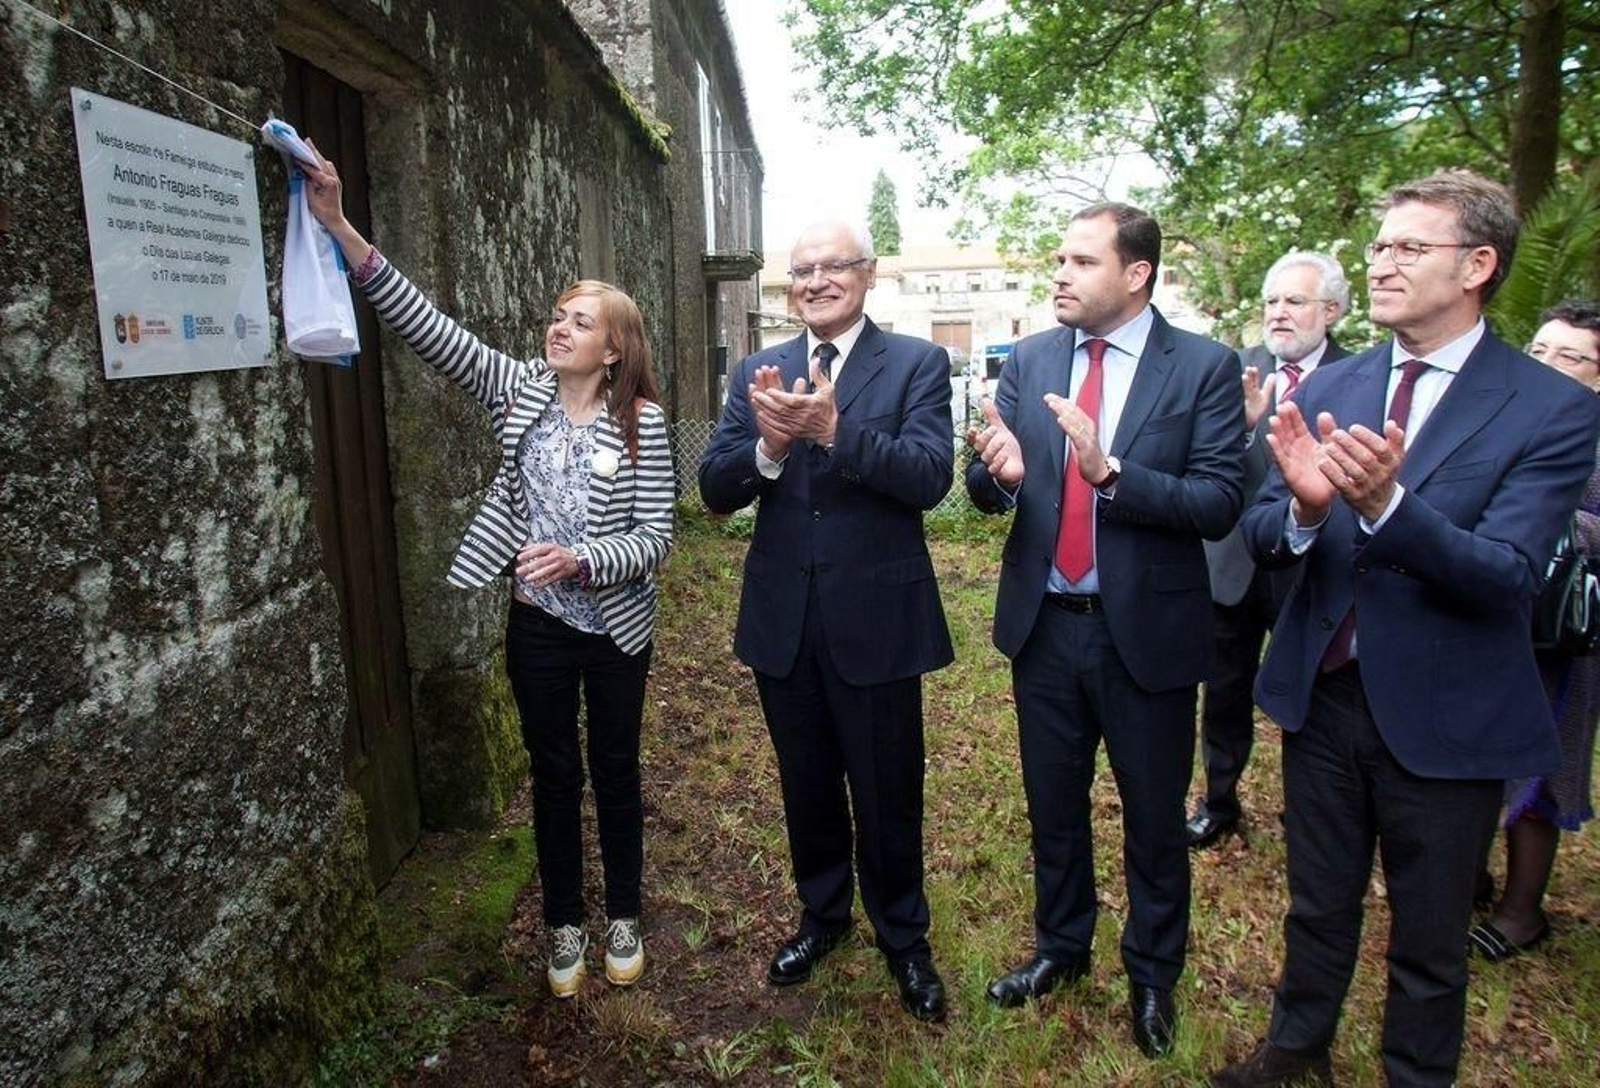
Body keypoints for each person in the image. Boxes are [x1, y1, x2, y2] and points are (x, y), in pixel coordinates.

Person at [1211, 172, 1600, 1088]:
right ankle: (1294, 1054)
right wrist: (1306, 510)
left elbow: (1507, 574)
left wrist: (1388, 506)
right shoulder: (1334, 382)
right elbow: (1264, 531)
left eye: (1409, 248)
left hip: (1448, 709)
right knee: (1317, 905)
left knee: (1429, 937)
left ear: (1477, 265)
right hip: (1325, 698)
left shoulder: (1551, 407)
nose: (1382, 264)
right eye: (1379, 246)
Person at [302, 146, 674, 1000]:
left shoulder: (643, 424)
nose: (559, 328)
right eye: (556, 316)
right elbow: (429, 328)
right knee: (555, 773)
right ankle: (564, 924)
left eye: (580, 322)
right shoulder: (519, 389)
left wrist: (584, 558)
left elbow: (657, 539)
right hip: (537, 624)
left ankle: (623, 912)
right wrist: (339, 224)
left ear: (614, 349)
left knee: (615, 769)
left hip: (616, 629)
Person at [966, 202, 1245, 1057]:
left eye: (1082, 261)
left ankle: (1153, 976)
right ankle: (1061, 947)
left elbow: (1219, 501)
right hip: (1046, 629)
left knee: (1154, 819)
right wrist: (1000, 476)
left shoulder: (1202, 367)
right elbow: (987, 486)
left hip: (1146, 635)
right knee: (1054, 808)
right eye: (1059, 259)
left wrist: (1111, 472)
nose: (1061, 274)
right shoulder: (1032, 358)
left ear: (1136, 274)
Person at [697, 220, 955, 1022]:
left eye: (832, 266)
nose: (814, 281)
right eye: (801, 270)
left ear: (868, 274)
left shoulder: (915, 363)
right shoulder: (759, 370)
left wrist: (837, 432)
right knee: (805, 781)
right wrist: (770, 450)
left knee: (887, 788)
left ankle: (903, 935)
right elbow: (714, 486)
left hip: (877, 616)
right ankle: (823, 915)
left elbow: (929, 477)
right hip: (785, 617)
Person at [1189, 251, 1353, 849]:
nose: (1279, 313)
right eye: (1272, 302)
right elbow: (1203, 465)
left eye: (1295, 301)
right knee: (1224, 689)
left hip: (1314, 568)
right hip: (1234, 562)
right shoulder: (1232, 371)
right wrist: (1240, 428)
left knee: (1313, 694)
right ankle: (1219, 801)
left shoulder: (1358, 377)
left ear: (1330, 311)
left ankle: (1311, 807)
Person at [1469, 300, 1600, 961]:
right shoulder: (1508, 415)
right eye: (1541, 350)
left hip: (1563, 636)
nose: (1549, 364)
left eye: (1570, 356)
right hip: (1492, 616)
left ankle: (1522, 912)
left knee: (1541, 768)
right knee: (1471, 754)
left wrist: (1550, 517)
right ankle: (1468, 876)